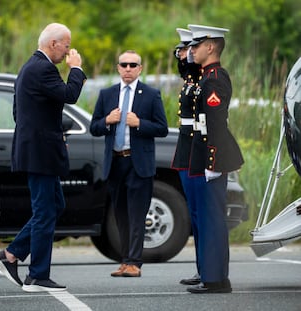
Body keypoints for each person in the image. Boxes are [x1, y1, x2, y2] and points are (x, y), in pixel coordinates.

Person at [0, 22, 86, 292]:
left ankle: (11, 255)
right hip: (40, 153)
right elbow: (71, 95)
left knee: (54, 206)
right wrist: (76, 68)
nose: (68, 51)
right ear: (53, 43)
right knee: (45, 210)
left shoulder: (29, 67)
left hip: (38, 150)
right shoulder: (43, 68)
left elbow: (19, 112)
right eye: (66, 45)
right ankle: (37, 275)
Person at [90, 50, 168, 277]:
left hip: (138, 163)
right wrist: (107, 120)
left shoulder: (151, 94)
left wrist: (139, 123)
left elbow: (161, 128)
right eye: (124, 64)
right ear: (118, 67)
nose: (128, 68)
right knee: (120, 215)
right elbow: (94, 127)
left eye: (133, 65)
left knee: (137, 214)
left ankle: (135, 262)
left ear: (140, 69)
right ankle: (125, 261)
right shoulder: (107, 94)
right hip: (115, 162)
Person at [185, 24, 244, 294]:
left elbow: (216, 124)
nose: (191, 50)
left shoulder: (216, 78)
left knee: (213, 220)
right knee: (208, 219)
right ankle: (213, 276)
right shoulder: (206, 76)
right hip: (202, 155)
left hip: (212, 158)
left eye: (196, 46)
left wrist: (212, 163)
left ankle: (216, 280)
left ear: (210, 47)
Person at [171, 28, 202, 286]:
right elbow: (184, 70)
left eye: (188, 49)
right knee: (195, 214)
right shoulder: (190, 80)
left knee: (202, 214)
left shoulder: (203, 79)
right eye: (182, 50)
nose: (183, 54)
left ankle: (208, 269)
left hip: (196, 147)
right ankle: (203, 268)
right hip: (186, 147)